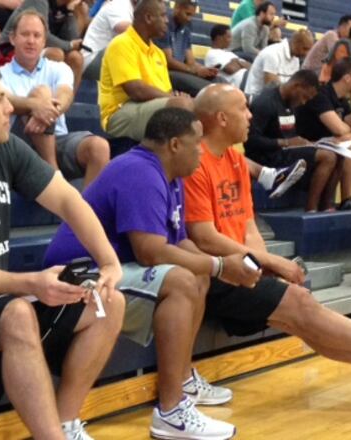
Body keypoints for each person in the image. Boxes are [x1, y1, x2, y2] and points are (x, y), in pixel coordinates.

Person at [0, 60, 125, 440]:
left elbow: (69, 201)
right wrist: (28, 282)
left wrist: (109, 262)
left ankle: (65, 423)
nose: (11, 108)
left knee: (108, 302)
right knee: (16, 312)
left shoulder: (4, 148)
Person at [45, 108, 259, 440]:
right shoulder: (139, 171)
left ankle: (183, 385)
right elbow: (151, 251)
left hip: (111, 270)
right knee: (183, 280)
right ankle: (172, 411)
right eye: (196, 144)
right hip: (78, 272)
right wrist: (219, 265)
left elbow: (181, 242)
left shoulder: (170, 177)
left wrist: (226, 264)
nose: (201, 151)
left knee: (196, 275)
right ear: (175, 144)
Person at [185, 83, 351, 382]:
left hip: (244, 267)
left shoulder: (236, 160)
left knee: (312, 329)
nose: (249, 116)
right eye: (242, 109)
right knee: (302, 306)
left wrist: (262, 263)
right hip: (216, 273)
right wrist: (271, 263)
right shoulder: (194, 162)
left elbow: (249, 228)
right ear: (221, 118)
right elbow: (204, 237)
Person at [1, 11, 111, 187]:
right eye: (25, 34)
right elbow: (8, 101)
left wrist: (46, 111)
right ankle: (55, 177)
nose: (31, 40)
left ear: (44, 41)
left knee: (99, 147)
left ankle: (85, 211)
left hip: (59, 140)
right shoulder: (0, 75)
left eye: (37, 35)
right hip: (19, 145)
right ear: (13, 38)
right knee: (41, 92)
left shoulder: (59, 69)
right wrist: (36, 104)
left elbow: (65, 96)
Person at [99, 0, 194, 142]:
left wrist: (176, 97)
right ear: (149, 18)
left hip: (148, 106)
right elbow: (136, 91)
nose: (167, 21)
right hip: (119, 113)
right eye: (162, 16)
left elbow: (165, 91)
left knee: (200, 108)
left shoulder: (158, 53)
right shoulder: (121, 44)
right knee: (181, 106)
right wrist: (174, 99)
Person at [245, 70, 339, 212]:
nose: (303, 102)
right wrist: (285, 143)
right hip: (267, 157)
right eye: (304, 97)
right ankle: (311, 209)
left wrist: (307, 143)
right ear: (297, 86)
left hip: (286, 152)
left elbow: (289, 135)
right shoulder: (265, 102)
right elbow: (250, 141)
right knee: (328, 156)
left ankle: (326, 206)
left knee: (339, 153)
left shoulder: (290, 103)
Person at [295, 59, 351, 210]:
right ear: (347, 78)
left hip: (330, 142)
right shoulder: (321, 94)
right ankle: (346, 199)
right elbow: (339, 130)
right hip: (308, 144)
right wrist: (349, 129)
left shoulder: (343, 99)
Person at [0, 0, 86, 92]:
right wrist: (70, 45)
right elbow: (44, 37)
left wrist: (70, 13)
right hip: (11, 49)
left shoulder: (64, 7)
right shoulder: (39, 1)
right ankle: (43, 101)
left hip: (39, 48)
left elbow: (71, 38)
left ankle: (63, 103)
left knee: (76, 58)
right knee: (56, 53)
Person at [155, 0, 217, 96]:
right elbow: (168, 61)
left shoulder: (186, 26)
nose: (189, 18)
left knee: (219, 80)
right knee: (207, 89)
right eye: (187, 14)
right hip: (168, 72)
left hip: (183, 70)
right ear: (176, 8)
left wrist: (203, 69)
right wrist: (195, 71)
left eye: (192, 15)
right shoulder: (165, 26)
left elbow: (190, 60)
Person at [244, 29, 313, 97]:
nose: (306, 54)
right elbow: (271, 89)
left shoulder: (296, 59)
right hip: (256, 97)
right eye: (305, 49)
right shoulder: (272, 54)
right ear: (295, 43)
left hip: (275, 98)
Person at [80, 0, 134, 81]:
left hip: (104, 56)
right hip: (93, 57)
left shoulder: (132, 8)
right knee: (127, 48)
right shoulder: (120, 4)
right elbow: (124, 29)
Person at [205, 24, 250, 89]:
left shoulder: (229, 53)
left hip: (249, 77)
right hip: (240, 82)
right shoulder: (212, 54)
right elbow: (230, 69)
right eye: (228, 37)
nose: (231, 40)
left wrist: (236, 62)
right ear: (219, 38)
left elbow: (250, 66)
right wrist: (239, 62)